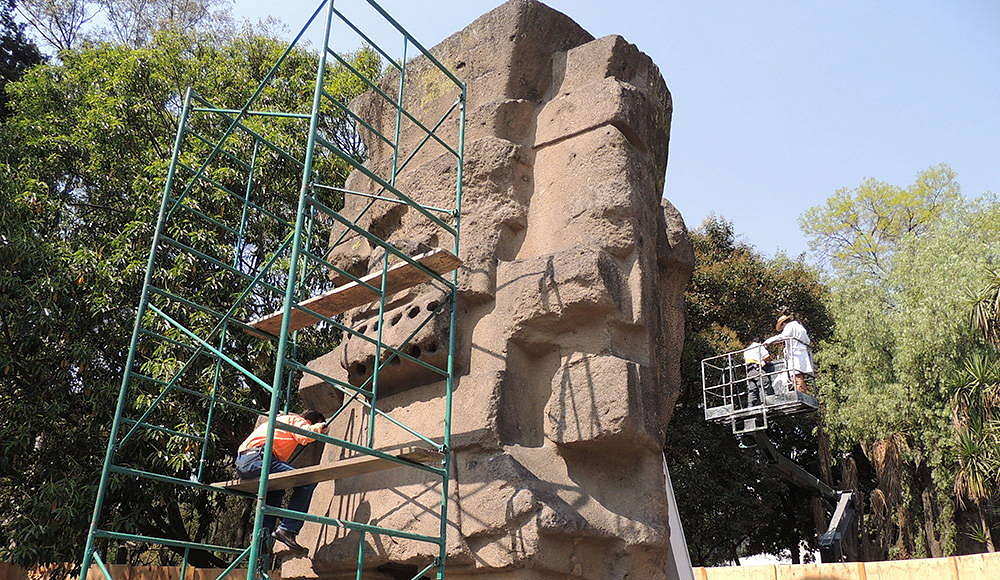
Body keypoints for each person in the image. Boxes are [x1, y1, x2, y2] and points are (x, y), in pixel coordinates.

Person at [235, 409, 327, 555]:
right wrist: (320, 427)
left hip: (244, 462)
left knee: (275, 491)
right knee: (306, 482)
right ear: (310, 420)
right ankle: (288, 529)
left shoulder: (278, 420)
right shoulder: (295, 420)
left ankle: (261, 540)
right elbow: (305, 435)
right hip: (260, 458)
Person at [764, 314, 814, 393]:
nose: (782, 329)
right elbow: (807, 341)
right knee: (799, 376)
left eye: (782, 327)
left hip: (795, 355)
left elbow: (783, 336)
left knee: (796, 376)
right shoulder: (800, 327)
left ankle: (801, 394)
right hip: (802, 354)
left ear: (783, 323)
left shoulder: (789, 326)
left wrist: (769, 341)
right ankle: (802, 392)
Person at [743, 341, 774, 406]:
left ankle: (751, 407)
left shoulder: (746, 350)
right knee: (765, 386)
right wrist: (770, 360)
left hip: (749, 372)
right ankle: (767, 404)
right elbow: (766, 357)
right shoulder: (759, 346)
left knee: (752, 390)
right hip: (757, 369)